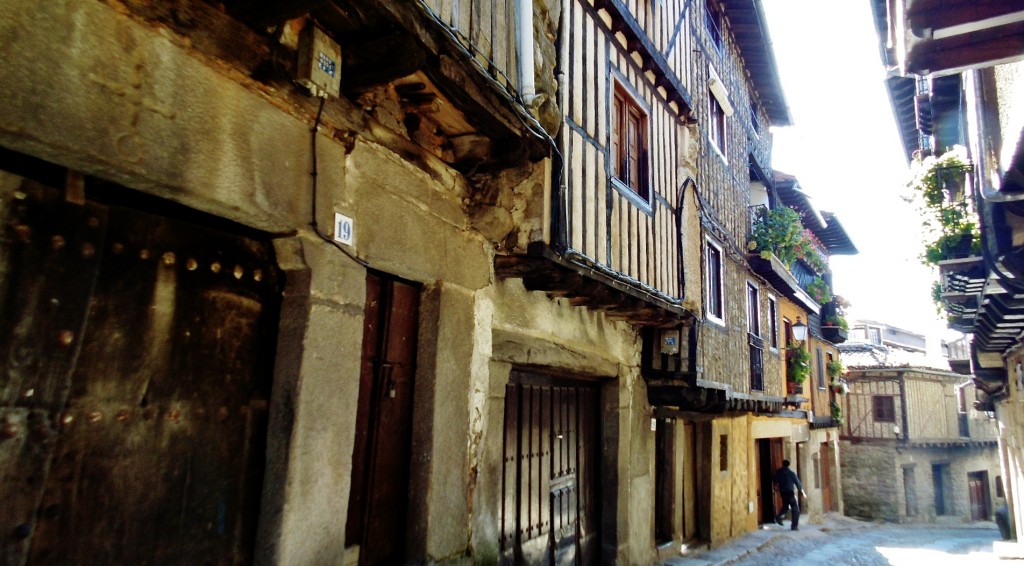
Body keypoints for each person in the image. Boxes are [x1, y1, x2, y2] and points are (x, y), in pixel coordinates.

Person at [773, 459, 806, 530]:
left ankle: (779, 517)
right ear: (788, 465)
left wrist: (776, 487)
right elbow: (798, 484)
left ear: (782, 464)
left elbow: (775, 480)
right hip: (790, 493)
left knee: (786, 506)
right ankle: (794, 525)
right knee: (795, 509)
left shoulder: (779, 472)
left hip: (782, 492)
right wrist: (802, 492)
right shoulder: (791, 473)